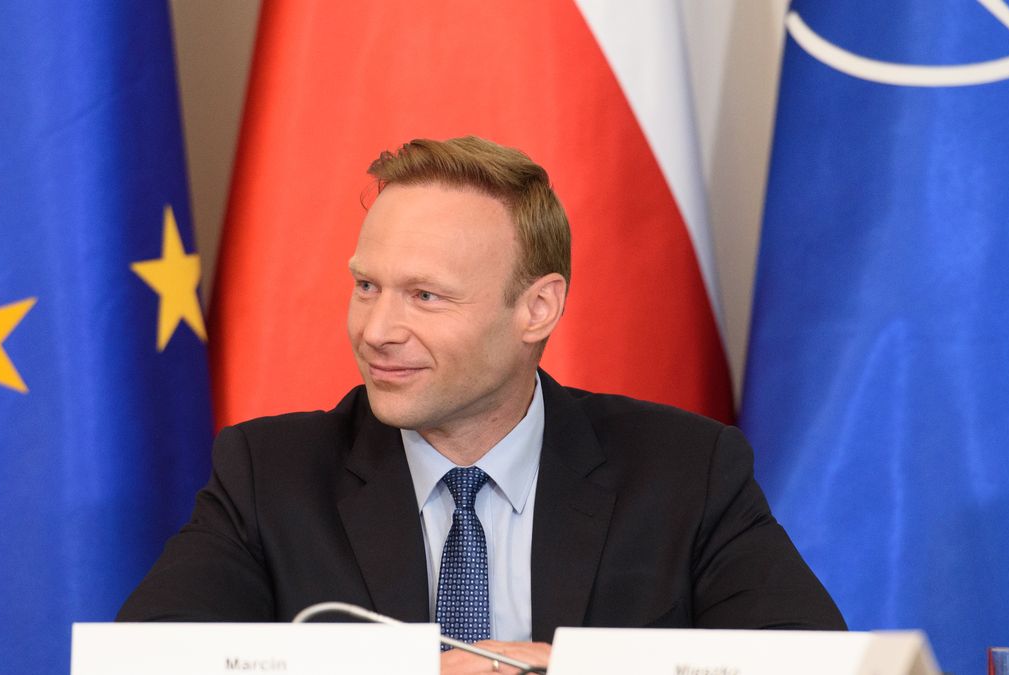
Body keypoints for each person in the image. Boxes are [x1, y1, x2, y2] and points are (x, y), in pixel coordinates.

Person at [117, 137, 845, 673]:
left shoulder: (685, 471)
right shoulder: (269, 474)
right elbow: (149, 662)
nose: (376, 329)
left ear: (537, 307)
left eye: (424, 296)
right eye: (367, 286)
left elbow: (807, 663)